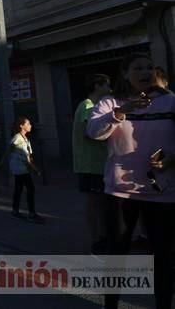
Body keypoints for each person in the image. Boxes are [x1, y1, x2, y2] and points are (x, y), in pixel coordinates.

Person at [87, 53, 175, 309]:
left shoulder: (170, 101)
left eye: (149, 67)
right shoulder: (110, 102)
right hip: (120, 192)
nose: (145, 72)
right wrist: (120, 112)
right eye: (138, 68)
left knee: (164, 256)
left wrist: (172, 158)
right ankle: (111, 304)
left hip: (162, 192)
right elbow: (94, 132)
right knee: (117, 254)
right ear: (125, 73)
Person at [71, 73, 111, 253]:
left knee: (102, 202)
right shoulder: (88, 106)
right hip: (91, 164)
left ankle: (103, 235)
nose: (110, 89)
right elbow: (91, 132)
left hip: (99, 164)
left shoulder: (93, 106)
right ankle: (97, 238)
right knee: (95, 202)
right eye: (106, 85)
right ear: (97, 86)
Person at [9, 116, 45, 223]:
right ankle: (31, 214)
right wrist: (35, 169)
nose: (30, 126)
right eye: (28, 124)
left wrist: (33, 166)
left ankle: (15, 211)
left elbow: (29, 157)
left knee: (19, 188)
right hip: (19, 168)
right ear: (21, 126)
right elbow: (9, 150)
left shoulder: (26, 139)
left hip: (23, 167)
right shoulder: (17, 138)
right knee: (30, 188)